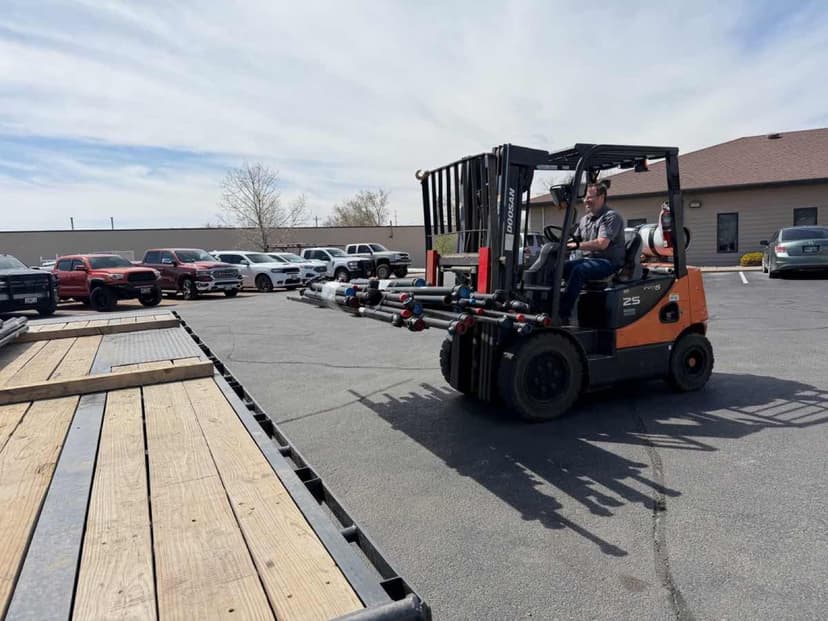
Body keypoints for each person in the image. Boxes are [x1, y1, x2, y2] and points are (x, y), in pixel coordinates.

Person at [558, 182, 626, 324]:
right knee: (558, 268)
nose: (585, 201)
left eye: (589, 197)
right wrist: (560, 245)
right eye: (585, 198)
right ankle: (548, 306)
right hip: (590, 260)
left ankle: (562, 314)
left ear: (601, 197)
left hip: (608, 263)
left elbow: (602, 244)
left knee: (579, 270)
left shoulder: (611, 217)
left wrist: (576, 245)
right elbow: (575, 239)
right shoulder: (585, 219)